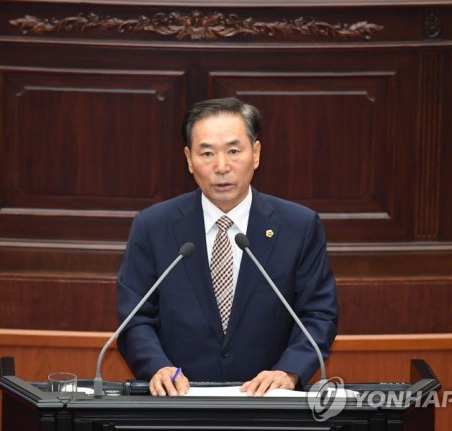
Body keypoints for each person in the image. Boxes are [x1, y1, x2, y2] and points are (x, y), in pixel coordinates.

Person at [116, 97, 338, 396]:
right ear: (189, 159)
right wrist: (157, 367)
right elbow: (135, 317)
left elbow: (318, 314)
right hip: (179, 403)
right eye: (207, 153)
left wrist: (289, 371)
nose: (221, 167)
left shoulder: (299, 226)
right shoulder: (153, 226)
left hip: (267, 402)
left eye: (234, 151)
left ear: (256, 154)